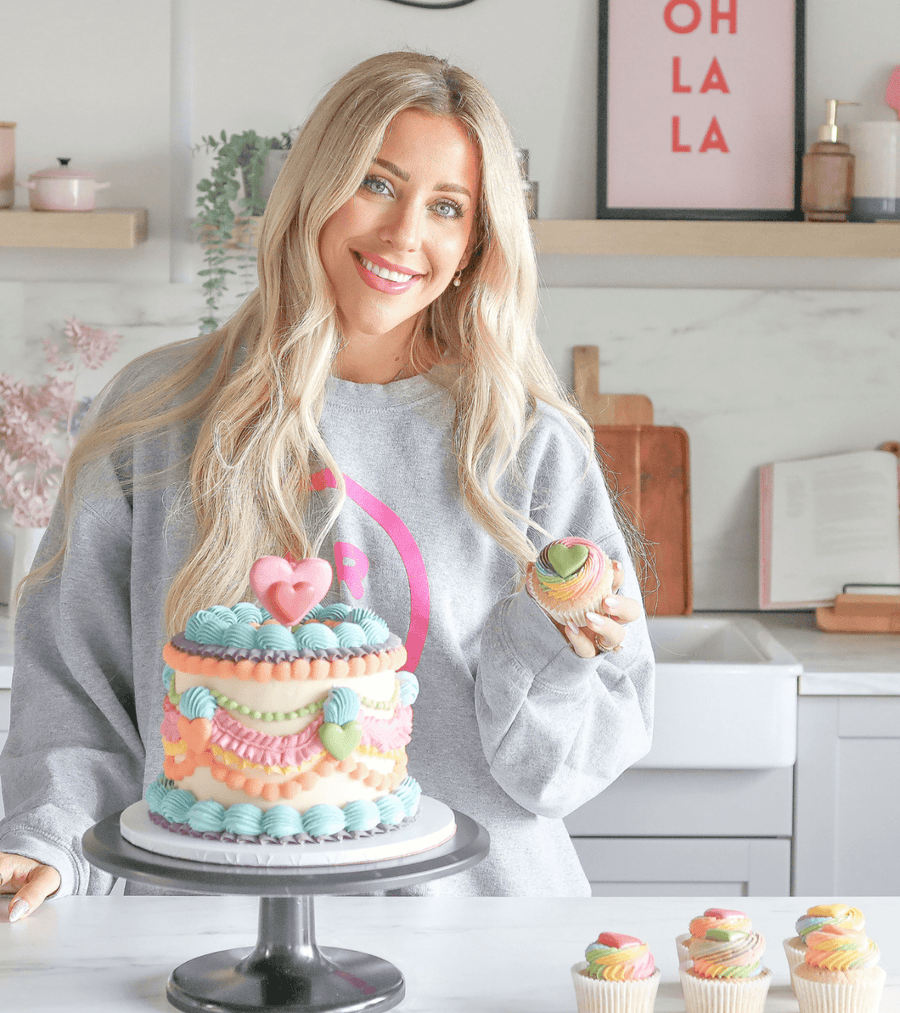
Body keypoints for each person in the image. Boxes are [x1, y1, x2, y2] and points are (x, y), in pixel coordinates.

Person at [0, 50, 653, 917]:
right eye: (378, 184)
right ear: (314, 188)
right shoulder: (159, 414)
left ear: (473, 248)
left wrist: (558, 651)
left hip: (482, 931)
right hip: (207, 930)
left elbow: (564, 772)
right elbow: (74, 686)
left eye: (447, 207)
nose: (404, 236)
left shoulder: (529, 443)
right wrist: (43, 838)